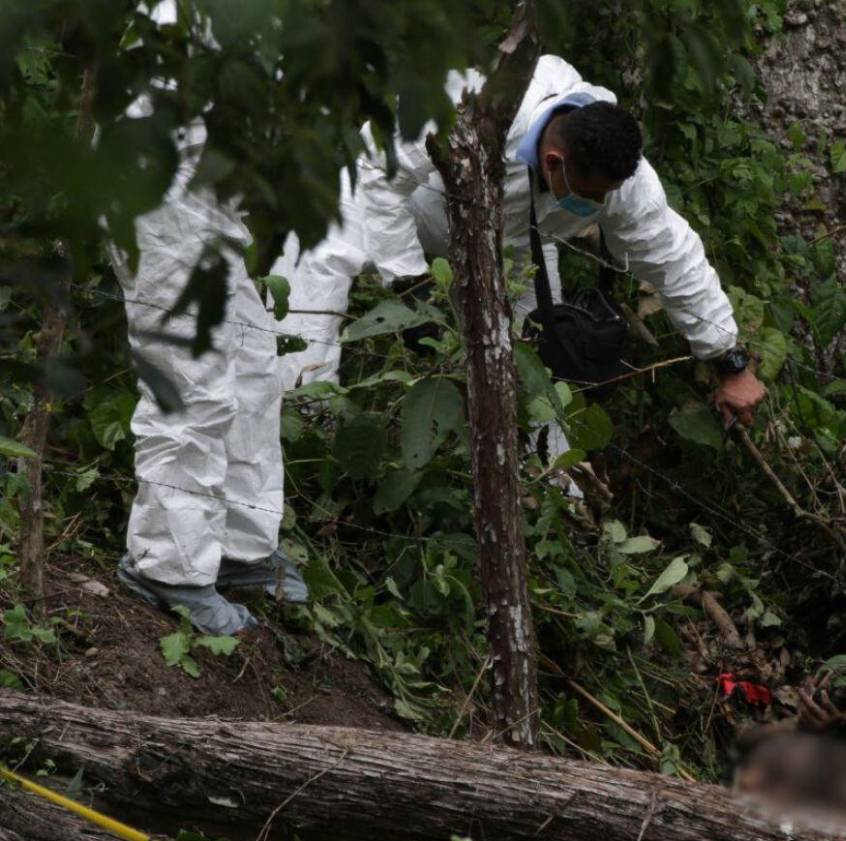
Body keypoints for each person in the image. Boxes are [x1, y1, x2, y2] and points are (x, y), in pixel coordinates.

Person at [277, 56, 766, 427]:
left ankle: (546, 482)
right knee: (320, 256)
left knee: (532, 359)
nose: (595, 206)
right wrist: (410, 282)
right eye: (589, 195)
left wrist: (729, 360)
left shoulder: (620, 177)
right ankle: (304, 419)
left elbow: (672, 256)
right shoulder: (469, 99)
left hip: (508, 246)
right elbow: (378, 176)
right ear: (553, 163)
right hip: (396, 203)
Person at [108, 1, 307, 636]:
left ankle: (243, 549)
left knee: (252, 365)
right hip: (156, 189)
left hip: (206, 193)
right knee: (191, 380)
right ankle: (168, 565)